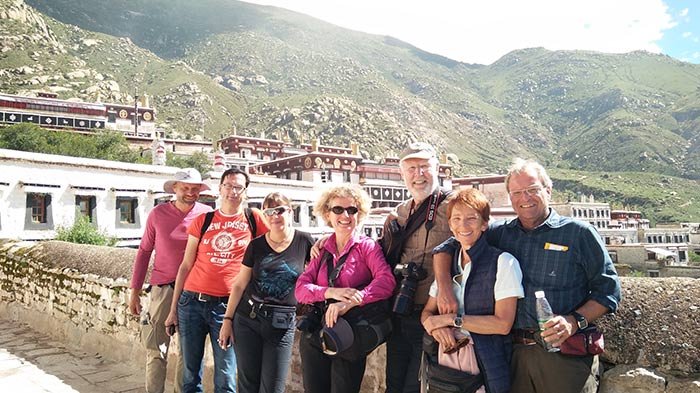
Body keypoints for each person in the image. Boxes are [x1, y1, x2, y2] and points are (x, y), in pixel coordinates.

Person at [435, 158, 621, 393]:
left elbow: (609, 291)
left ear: (548, 190)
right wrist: (443, 286)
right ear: (510, 197)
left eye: (532, 190)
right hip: (512, 356)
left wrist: (574, 321)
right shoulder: (499, 233)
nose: (525, 198)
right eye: (517, 192)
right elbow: (448, 247)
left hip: (562, 357)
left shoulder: (578, 233)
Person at [164, 168, 269, 393]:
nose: (233, 191)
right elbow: (185, 265)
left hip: (227, 308)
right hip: (191, 302)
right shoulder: (204, 220)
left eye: (238, 187)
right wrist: (173, 309)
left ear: (246, 192)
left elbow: (279, 241)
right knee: (190, 373)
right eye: (228, 185)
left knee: (226, 374)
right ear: (220, 188)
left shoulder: (254, 218)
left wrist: (312, 245)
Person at [295, 184, 395, 393]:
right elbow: (300, 290)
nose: (346, 215)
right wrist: (329, 293)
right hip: (316, 333)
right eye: (338, 210)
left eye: (352, 210)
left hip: (349, 334)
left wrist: (351, 301)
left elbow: (386, 281)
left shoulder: (367, 246)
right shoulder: (322, 250)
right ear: (327, 214)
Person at [422, 188, 523, 393]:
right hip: (445, 362)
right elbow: (428, 313)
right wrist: (435, 328)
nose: (463, 226)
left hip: (485, 360)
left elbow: (503, 324)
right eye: (456, 218)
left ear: (485, 224)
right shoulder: (448, 264)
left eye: (471, 218)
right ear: (450, 225)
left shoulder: (504, 262)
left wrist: (451, 320)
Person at [218, 192, 314, 393]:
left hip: (282, 323)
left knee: (272, 388)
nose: (274, 216)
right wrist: (227, 320)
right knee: (248, 385)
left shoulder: (304, 241)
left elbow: (318, 272)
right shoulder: (256, 245)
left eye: (279, 210)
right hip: (248, 319)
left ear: (290, 211)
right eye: (268, 212)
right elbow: (239, 284)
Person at [129, 168, 212, 393]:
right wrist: (134, 291)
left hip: (195, 291)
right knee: (157, 350)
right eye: (185, 188)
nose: (190, 192)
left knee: (189, 353)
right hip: (163, 289)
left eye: (195, 189)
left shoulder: (207, 214)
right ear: (174, 188)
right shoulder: (158, 214)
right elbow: (144, 251)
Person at [384, 142, 456, 393]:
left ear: (437, 168)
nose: (419, 174)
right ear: (401, 173)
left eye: (425, 167)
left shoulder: (455, 206)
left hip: (434, 315)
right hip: (399, 312)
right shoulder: (399, 213)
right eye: (412, 168)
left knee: (417, 387)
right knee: (393, 385)